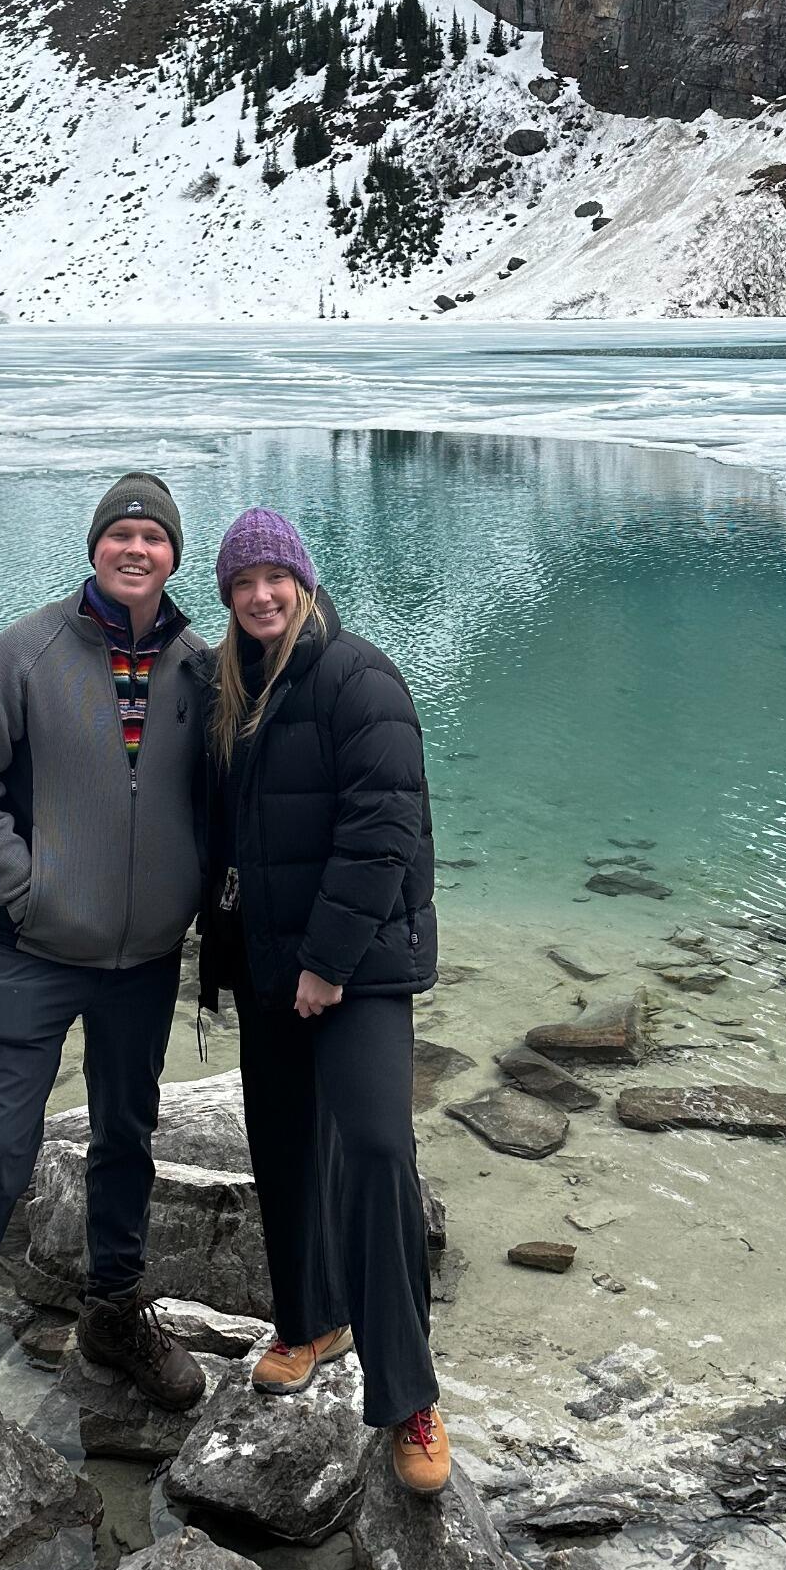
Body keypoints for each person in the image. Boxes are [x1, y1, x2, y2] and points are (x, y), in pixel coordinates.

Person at [0, 471, 210, 1527]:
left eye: (153, 537)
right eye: (120, 534)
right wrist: (26, 887)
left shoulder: (199, 668)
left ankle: (113, 1315)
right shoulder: (24, 653)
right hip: (33, 950)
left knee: (127, 1138)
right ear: (96, 547)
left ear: (173, 555)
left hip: (146, 958)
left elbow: (223, 793)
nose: (135, 549)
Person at [198, 506, 449, 1494]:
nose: (261, 595)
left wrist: (329, 961)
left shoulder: (358, 675)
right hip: (271, 963)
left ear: (303, 583)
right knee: (284, 1142)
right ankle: (310, 1322)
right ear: (228, 596)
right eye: (243, 582)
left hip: (359, 966)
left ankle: (409, 1394)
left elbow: (384, 825)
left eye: (276, 578)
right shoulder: (233, 689)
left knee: (378, 1150)